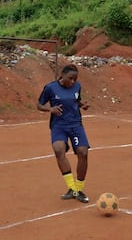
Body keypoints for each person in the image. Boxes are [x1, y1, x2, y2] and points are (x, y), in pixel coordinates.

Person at [37, 64, 91, 203]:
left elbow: (76, 100)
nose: (73, 81)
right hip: (59, 125)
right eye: (70, 78)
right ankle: (72, 188)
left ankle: (79, 189)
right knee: (58, 149)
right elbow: (39, 105)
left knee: (83, 152)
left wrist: (82, 105)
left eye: (75, 79)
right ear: (62, 75)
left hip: (75, 125)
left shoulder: (77, 86)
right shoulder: (50, 88)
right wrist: (51, 109)